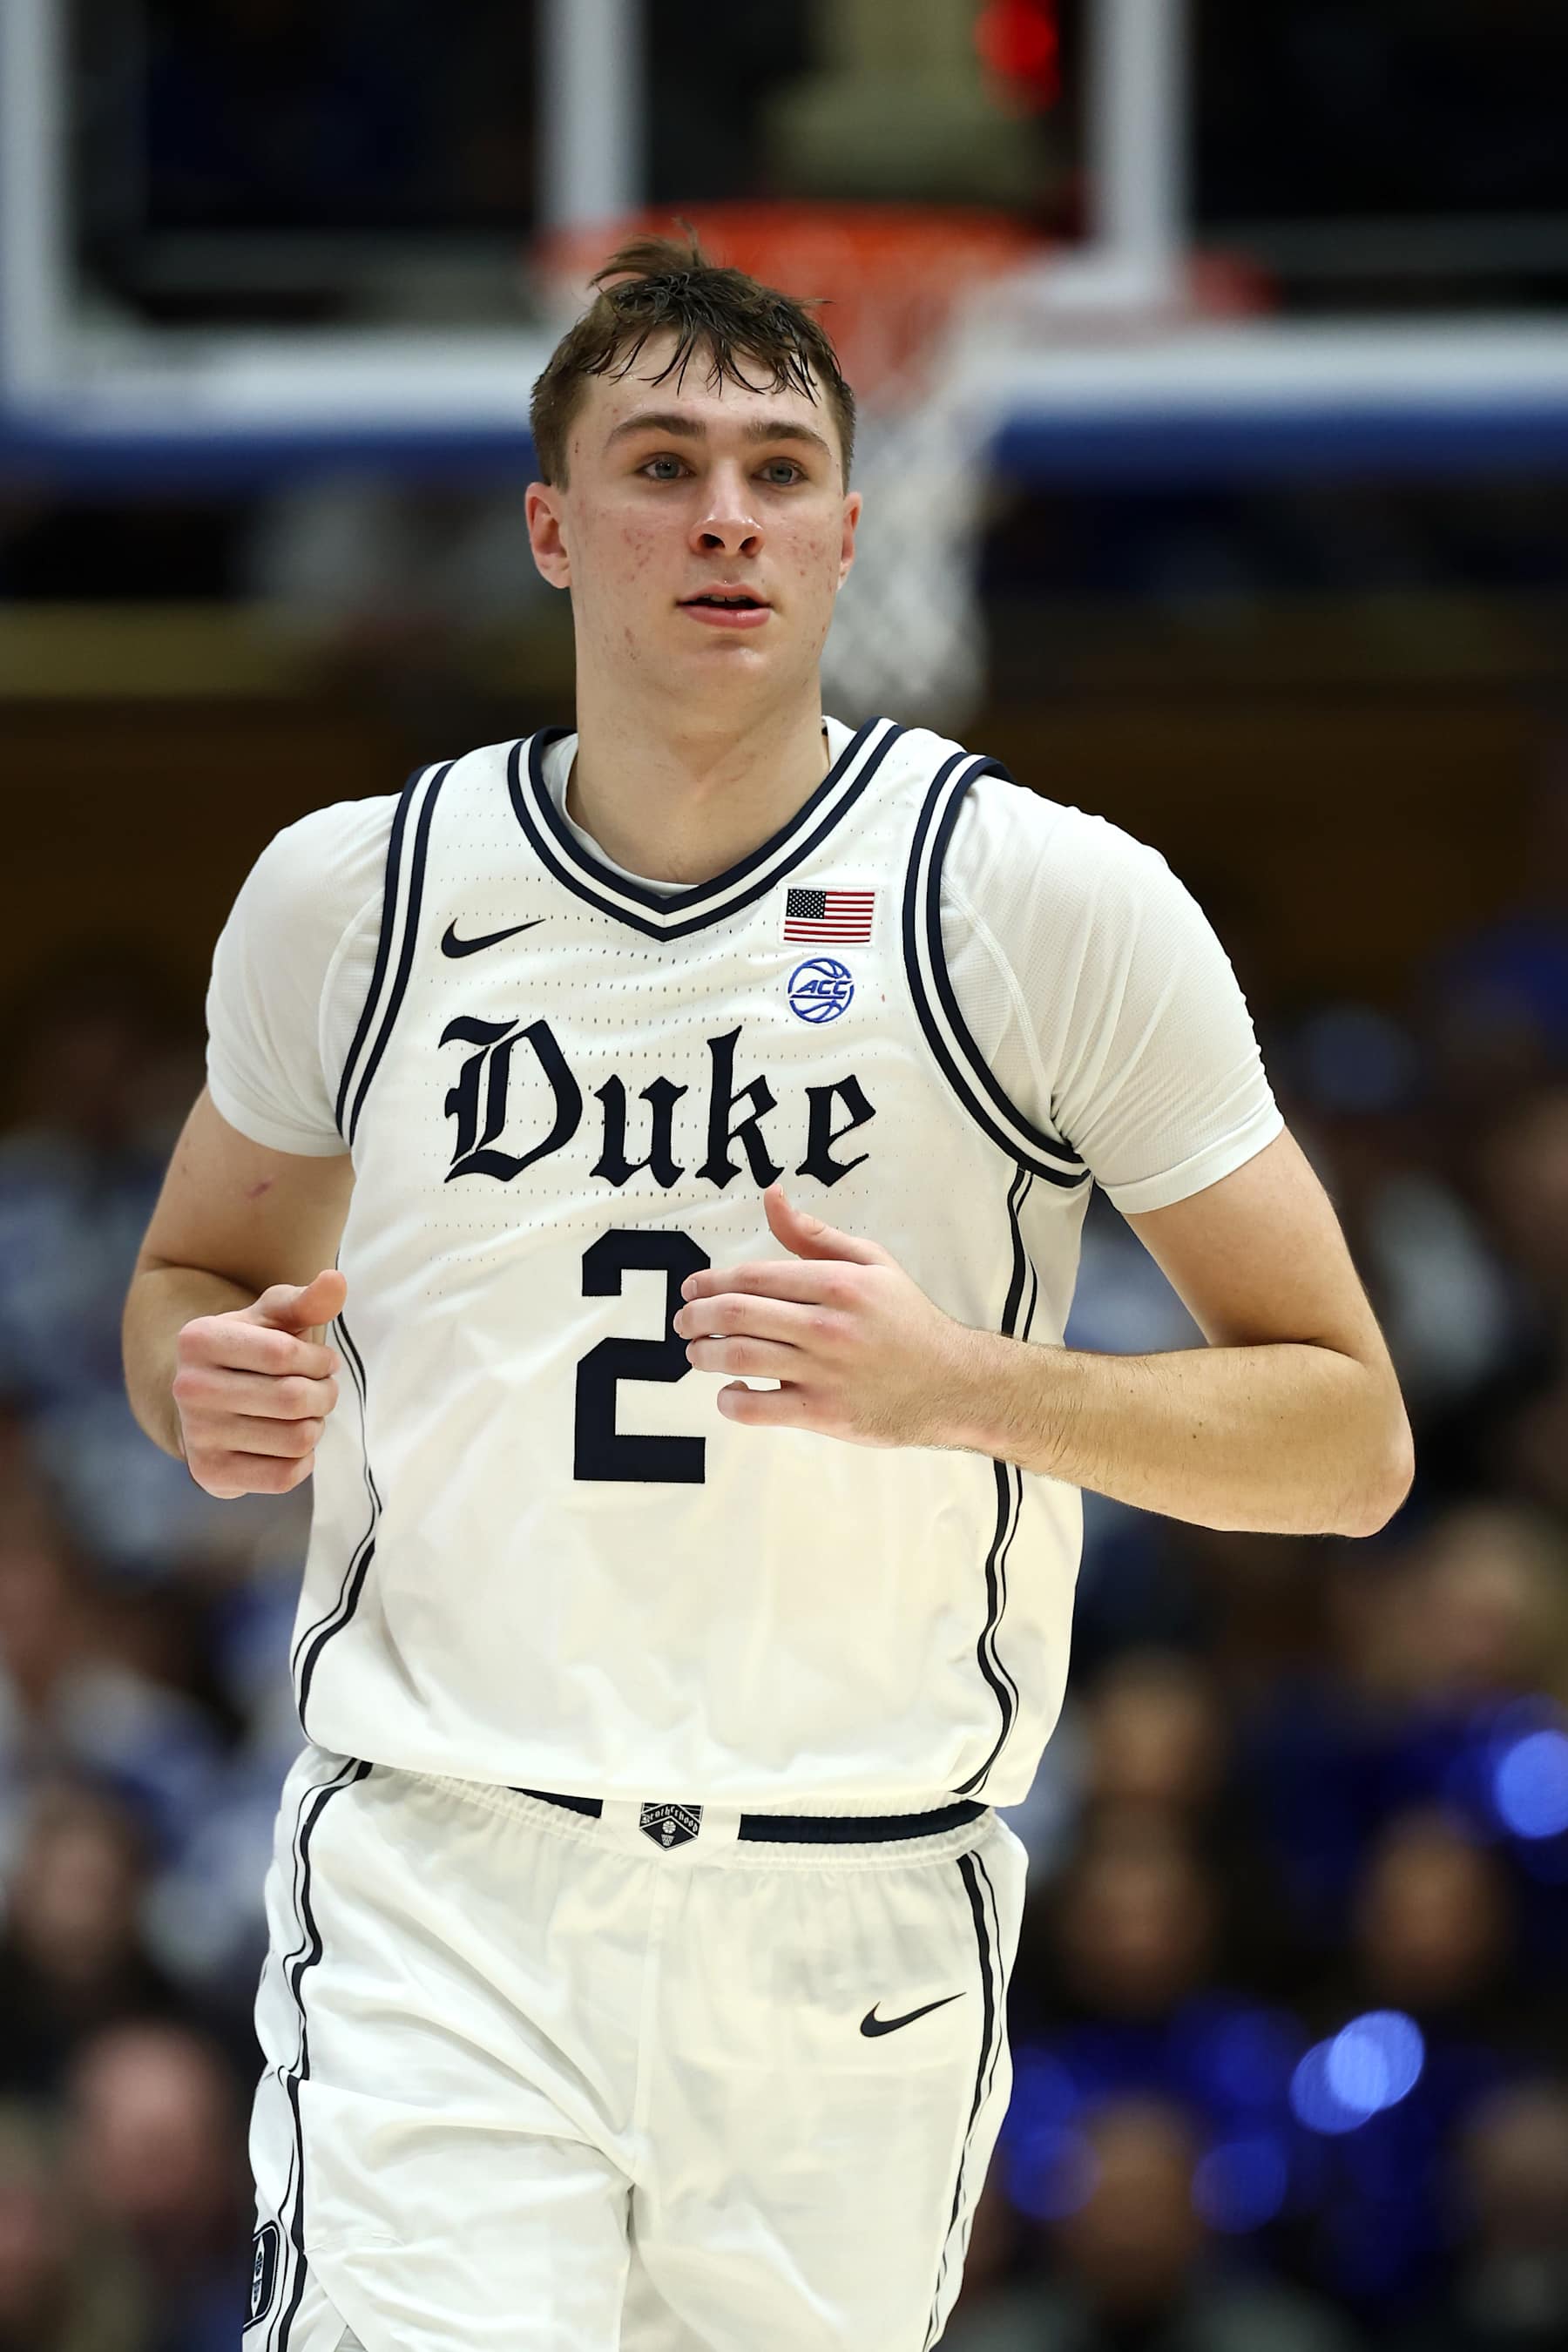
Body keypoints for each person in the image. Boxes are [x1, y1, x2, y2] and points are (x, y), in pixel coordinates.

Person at [121, 236, 1413, 2351]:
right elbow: (192, 1275)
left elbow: (1349, 1441)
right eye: (662, 461)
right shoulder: (351, 897)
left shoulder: (1046, 904)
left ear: (849, 528)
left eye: (778, 466)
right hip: (453, 1876)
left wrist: (964, 1391)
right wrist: (201, 1384)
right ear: (552, 528)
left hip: (858, 1908)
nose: (726, 512)